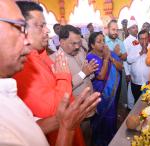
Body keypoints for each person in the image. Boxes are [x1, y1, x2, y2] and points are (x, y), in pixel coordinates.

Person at [0, 0, 100, 146]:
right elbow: (53, 108)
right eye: (20, 27)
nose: (47, 31)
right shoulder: (25, 64)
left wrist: (65, 119)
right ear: (62, 42)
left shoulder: (47, 57)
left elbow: (30, 126)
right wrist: (65, 78)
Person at [87, 32, 122, 146]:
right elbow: (100, 76)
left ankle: (111, 141)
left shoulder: (107, 53)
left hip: (111, 93)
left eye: (103, 41)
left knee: (110, 118)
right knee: (101, 120)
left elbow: (120, 67)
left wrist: (110, 57)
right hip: (100, 95)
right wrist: (106, 59)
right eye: (99, 41)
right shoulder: (90, 57)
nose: (102, 44)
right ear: (92, 45)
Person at [127, 30, 150, 101]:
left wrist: (148, 53)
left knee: (148, 102)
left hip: (149, 83)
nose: (144, 40)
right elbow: (129, 60)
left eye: (145, 38)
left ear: (148, 38)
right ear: (138, 39)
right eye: (141, 38)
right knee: (137, 102)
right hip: (136, 82)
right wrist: (140, 53)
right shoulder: (134, 48)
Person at [123, 16, 139, 104]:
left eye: (136, 27)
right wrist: (127, 72)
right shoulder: (126, 41)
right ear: (128, 30)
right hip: (130, 69)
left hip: (138, 69)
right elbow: (125, 59)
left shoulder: (139, 39)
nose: (136, 29)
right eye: (133, 27)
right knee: (130, 89)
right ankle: (131, 107)